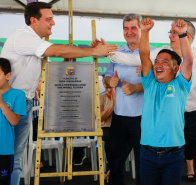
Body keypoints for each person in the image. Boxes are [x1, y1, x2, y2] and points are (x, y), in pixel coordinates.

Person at [0, 2, 118, 185]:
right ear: (33, 21)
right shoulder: (23, 36)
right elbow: (57, 50)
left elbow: (62, 59)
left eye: (53, 18)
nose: (53, 23)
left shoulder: (39, 43)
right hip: (6, 103)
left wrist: (90, 50)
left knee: (15, 159)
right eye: (49, 19)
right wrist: (93, 51)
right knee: (5, 156)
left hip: (24, 102)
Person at [106, 19, 196, 185]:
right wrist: (106, 52)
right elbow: (140, 58)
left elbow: (187, 66)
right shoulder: (163, 55)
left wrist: (154, 72)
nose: (170, 35)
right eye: (170, 32)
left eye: (174, 33)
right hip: (166, 129)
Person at [91, 13, 155, 185]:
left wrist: (136, 88)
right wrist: (109, 81)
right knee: (115, 162)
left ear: (141, 28)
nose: (129, 31)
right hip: (119, 116)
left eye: (134, 27)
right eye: (126, 28)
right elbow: (106, 78)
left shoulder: (153, 53)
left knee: (144, 164)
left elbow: (157, 83)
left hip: (143, 118)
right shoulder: (116, 52)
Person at [139, 18, 193, 185]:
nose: (158, 65)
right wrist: (145, 31)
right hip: (147, 153)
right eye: (156, 62)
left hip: (173, 154)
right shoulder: (149, 83)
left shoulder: (181, 84)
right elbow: (144, 55)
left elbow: (188, 60)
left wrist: (182, 34)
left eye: (164, 62)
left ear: (176, 68)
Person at [0, 58, 26, 185]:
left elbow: (14, 121)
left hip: (4, 150)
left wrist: (0, 102)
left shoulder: (18, 94)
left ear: (7, 75)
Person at [99, 74, 115, 181]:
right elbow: (101, 118)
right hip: (106, 128)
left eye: (112, 87)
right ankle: (110, 168)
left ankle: (112, 169)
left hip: (120, 127)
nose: (110, 89)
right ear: (104, 86)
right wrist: (113, 105)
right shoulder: (101, 98)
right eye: (108, 87)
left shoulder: (123, 96)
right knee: (109, 137)